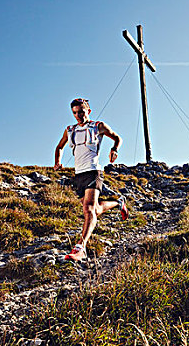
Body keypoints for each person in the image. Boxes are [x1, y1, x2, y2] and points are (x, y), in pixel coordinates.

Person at [54, 98, 128, 261]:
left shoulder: (98, 126)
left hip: (93, 171)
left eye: (81, 111)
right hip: (79, 174)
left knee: (88, 210)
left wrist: (114, 150)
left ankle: (81, 247)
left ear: (88, 111)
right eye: (74, 113)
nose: (78, 115)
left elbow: (117, 138)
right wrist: (57, 162)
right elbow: (59, 147)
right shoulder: (70, 130)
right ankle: (119, 202)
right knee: (95, 210)